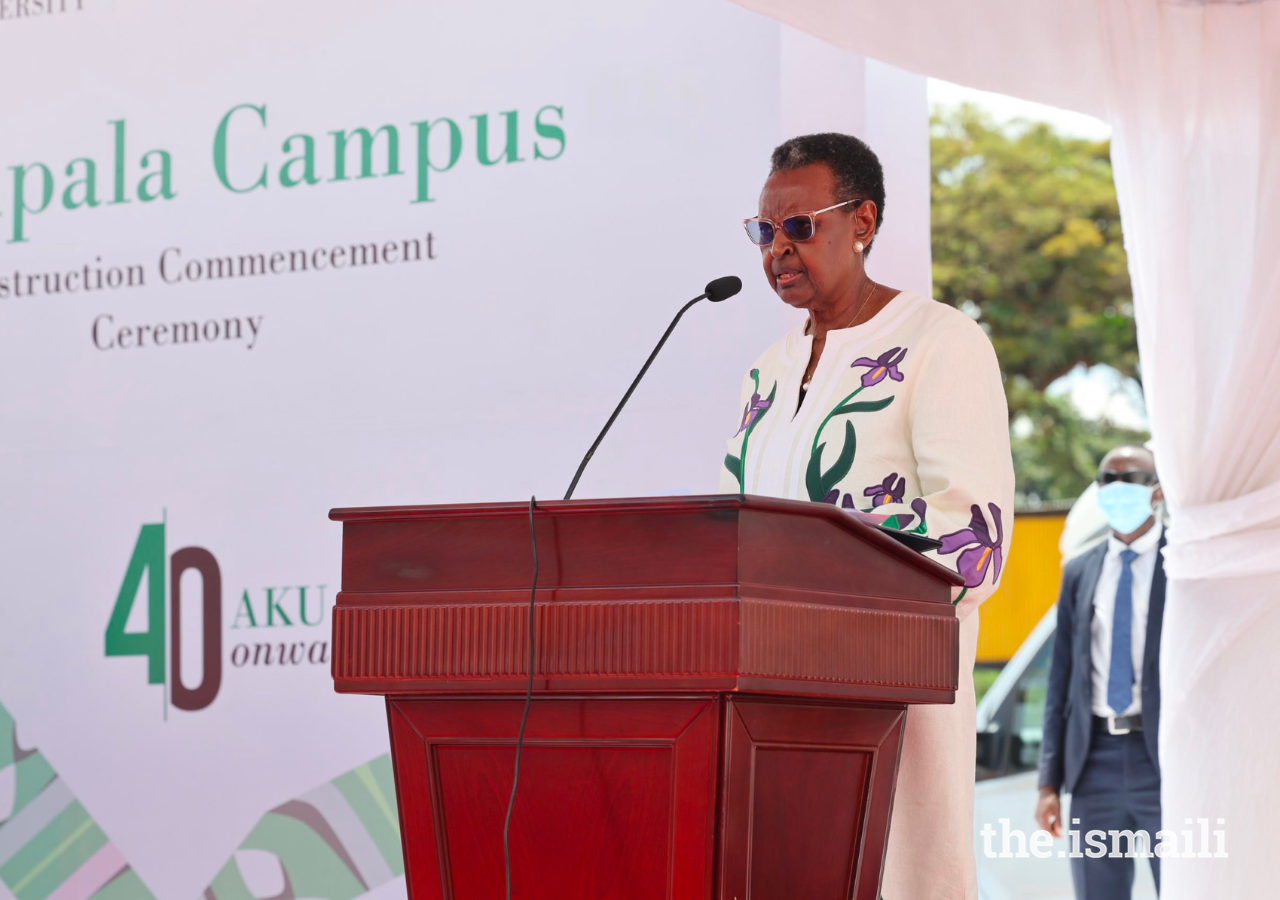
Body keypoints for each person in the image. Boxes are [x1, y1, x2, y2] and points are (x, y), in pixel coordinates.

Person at [720, 133, 1014, 899]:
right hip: (770, 707)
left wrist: (835, 589)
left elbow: (973, 543)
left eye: (799, 226)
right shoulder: (767, 370)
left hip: (888, 702)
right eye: (764, 231)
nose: (777, 250)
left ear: (863, 222)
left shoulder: (937, 343)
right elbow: (736, 532)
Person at [1037, 445, 1166, 897]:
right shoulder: (1079, 572)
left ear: (1157, 489)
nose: (1117, 489)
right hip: (1094, 765)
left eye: (1129, 478)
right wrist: (1048, 783)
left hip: (1163, 761)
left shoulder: (1184, 564)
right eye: (1107, 481)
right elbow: (1061, 681)